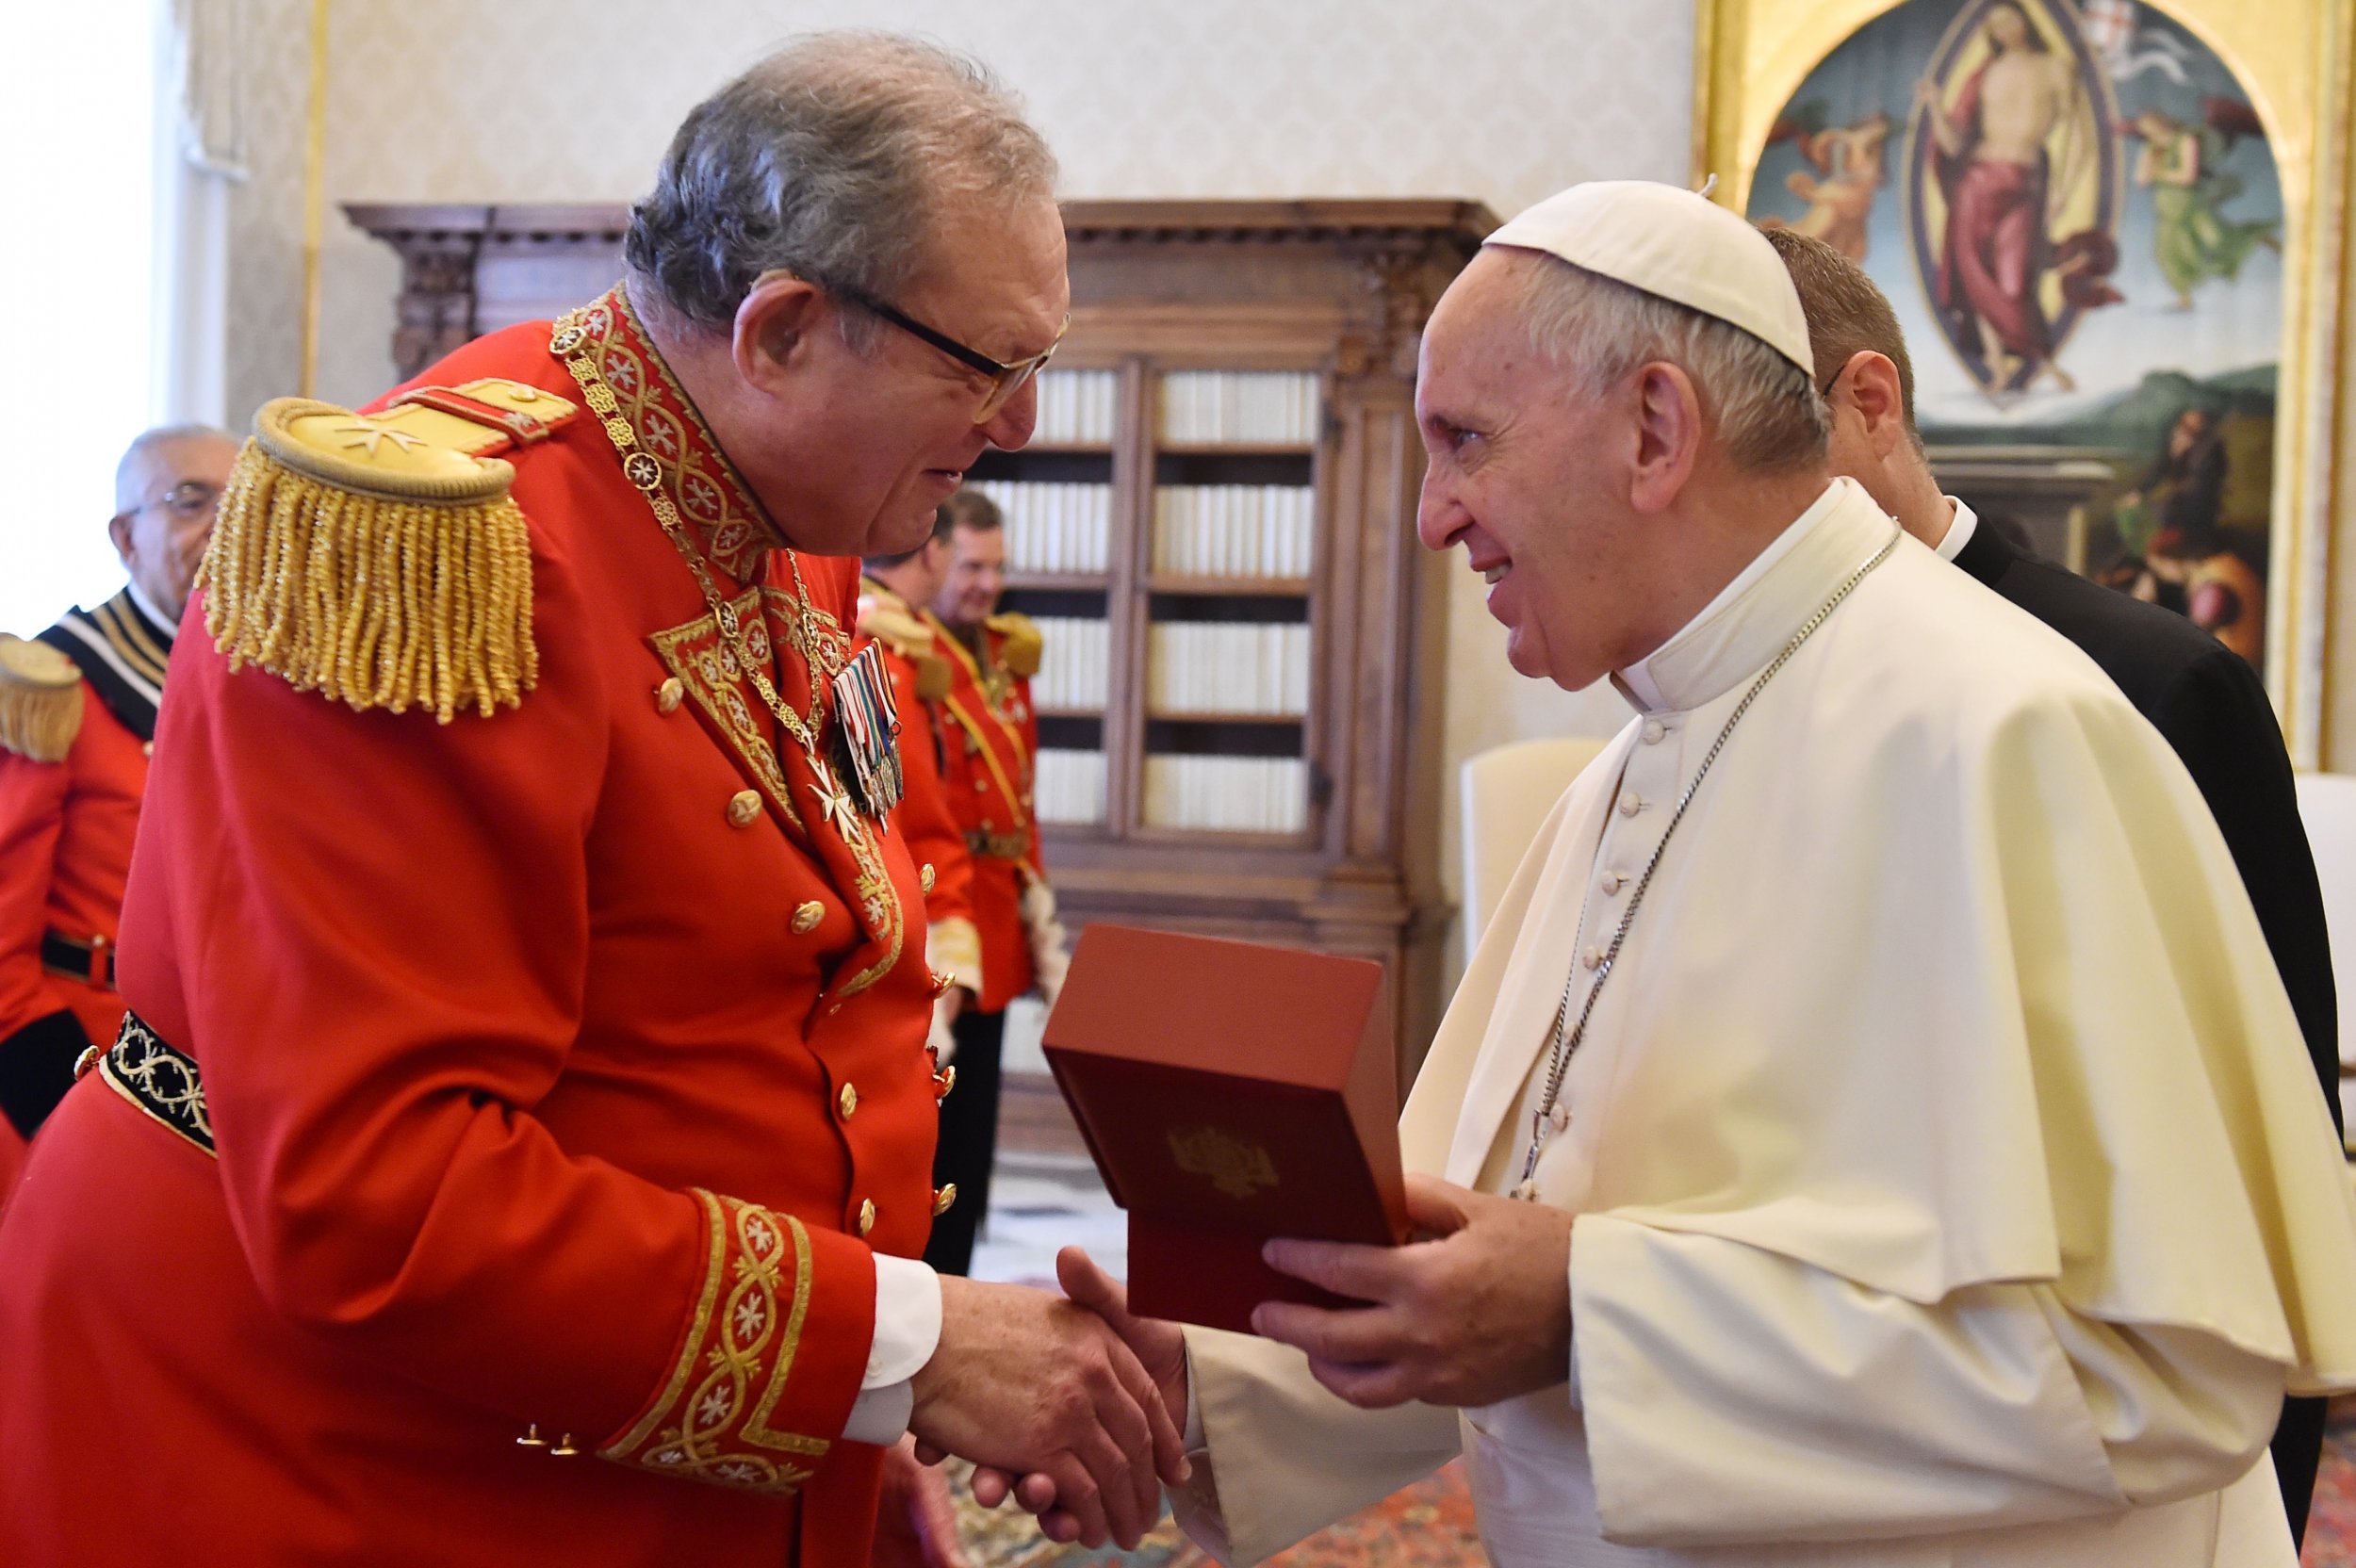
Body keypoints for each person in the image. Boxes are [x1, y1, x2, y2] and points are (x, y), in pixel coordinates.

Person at [979, 181, 2356, 1566]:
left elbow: (2159, 1373)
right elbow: (1491, 1263)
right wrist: (1207, 1385)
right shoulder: (1629, 767)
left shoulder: (2003, 733)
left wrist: (1590, 1310)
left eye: (1464, 441)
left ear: (1653, 430)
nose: (1433, 517)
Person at [0, 35, 1184, 1568]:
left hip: (616, 1400)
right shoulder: (440, 548)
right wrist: (908, 1343)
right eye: (989, 366)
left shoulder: (785, 503)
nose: (1020, 422)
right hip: (342, 1439)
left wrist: (846, 1415)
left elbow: (778, 998)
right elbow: (381, 1195)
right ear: (782, 331)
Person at [1763, 220, 2342, 1544]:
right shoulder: (1745, 699)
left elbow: (2270, 1147)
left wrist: (2270, 1523)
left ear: (1869, 406)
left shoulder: (2155, 686)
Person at [0, 424, 234, 1189]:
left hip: (232, 1061)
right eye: (191, 502)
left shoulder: (266, 675)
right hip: (87, 1062)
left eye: (244, 502)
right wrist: (59, 1107)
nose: (225, 527)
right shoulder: (53, 690)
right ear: (125, 537)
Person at [918, 487, 1067, 1276]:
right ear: (937, 555)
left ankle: (961, 1275)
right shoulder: (911, 656)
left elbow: (1023, 799)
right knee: (930, 1134)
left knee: (974, 1135)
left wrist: (1038, 905)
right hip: (942, 918)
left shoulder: (1008, 658)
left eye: (997, 569)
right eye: (973, 566)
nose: (985, 585)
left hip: (999, 921)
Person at [855, 504, 984, 1095]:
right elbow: (908, 818)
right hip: (885, 936)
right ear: (934, 552)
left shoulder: (889, 640)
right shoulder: (886, 652)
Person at [1919, 1, 2086, 390]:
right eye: (1996, 25)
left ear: (2026, 21)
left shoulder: (2055, 68)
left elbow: (2081, 139)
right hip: (1976, 181)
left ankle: (2042, 359)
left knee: (2016, 279)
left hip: (2023, 182)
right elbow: (1954, 145)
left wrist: (2064, 189)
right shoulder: (1985, 74)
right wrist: (1934, 107)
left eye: (2010, 20)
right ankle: (1996, 365)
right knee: (1976, 274)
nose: (2005, 30)